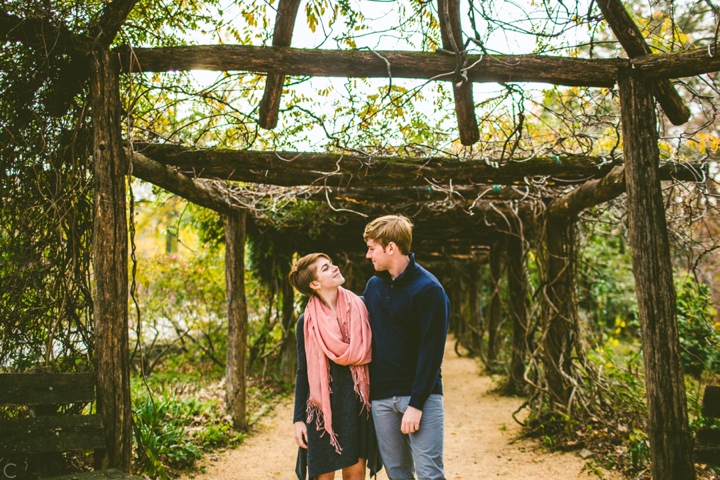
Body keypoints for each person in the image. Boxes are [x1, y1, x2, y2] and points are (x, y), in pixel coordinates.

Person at [363, 215, 451, 480]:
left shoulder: (429, 289)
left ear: (391, 247)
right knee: (397, 472)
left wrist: (416, 403)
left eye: (371, 248)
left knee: (429, 474)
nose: (368, 255)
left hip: (421, 398)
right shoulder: (374, 286)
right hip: (381, 398)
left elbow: (432, 352)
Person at [289, 253, 382, 480]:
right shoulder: (307, 321)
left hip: (356, 404)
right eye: (325, 268)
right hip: (323, 409)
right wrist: (298, 419)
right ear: (314, 284)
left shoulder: (362, 307)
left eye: (331, 264)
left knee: (356, 474)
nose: (335, 268)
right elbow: (303, 371)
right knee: (324, 476)